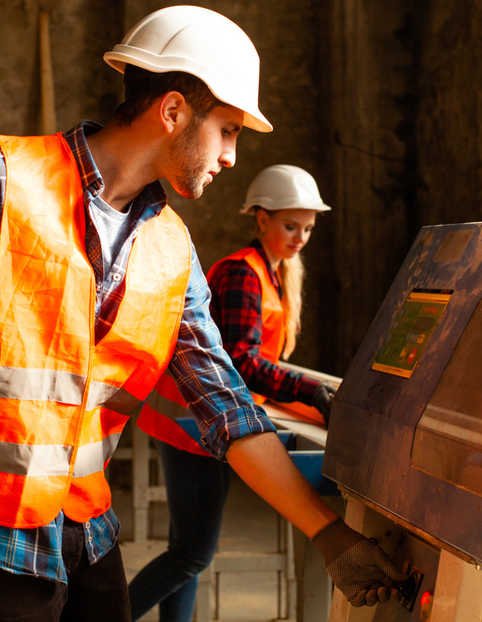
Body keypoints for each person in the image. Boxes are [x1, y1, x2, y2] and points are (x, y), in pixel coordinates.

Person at [0, 5, 404, 622]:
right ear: (172, 112)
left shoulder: (173, 249)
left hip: (86, 523)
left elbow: (226, 405)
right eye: (227, 131)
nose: (229, 157)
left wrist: (328, 534)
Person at [129, 164, 337, 622]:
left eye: (307, 228)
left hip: (204, 424)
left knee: (189, 551)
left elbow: (262, 361)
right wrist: (313, 392)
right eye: (289, 225)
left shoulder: (276, 274)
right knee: (192, 555)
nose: (300, 236)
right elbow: (244, 362)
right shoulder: (243, 274)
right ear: (261, 219)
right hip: (195, 424)